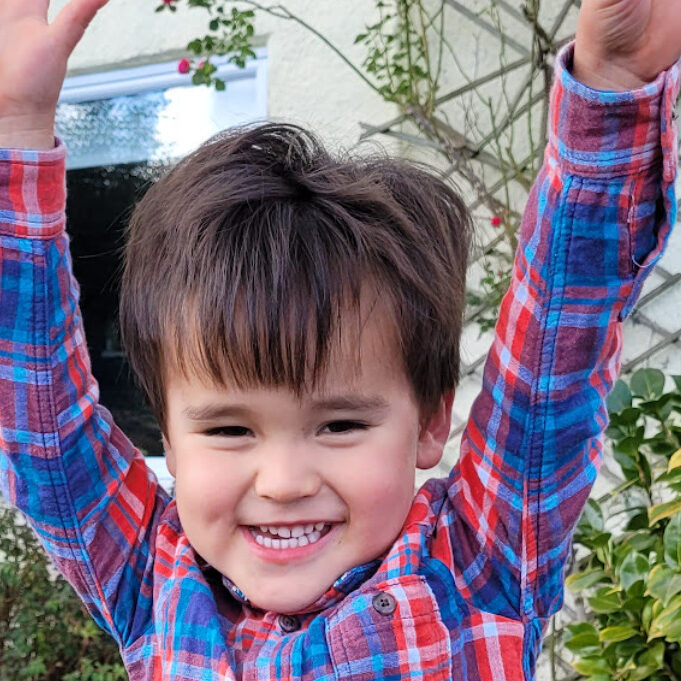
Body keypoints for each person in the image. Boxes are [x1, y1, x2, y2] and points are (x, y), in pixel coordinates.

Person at [0, 0, 679, 679]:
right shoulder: (154, 580)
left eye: (341, 422)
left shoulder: (478, 560)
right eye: (230, 430)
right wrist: (14, 128)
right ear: (168, 438)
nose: (285, 481)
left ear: (430, 419)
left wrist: (613, 86)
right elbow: (42, 426)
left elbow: (556, 347)